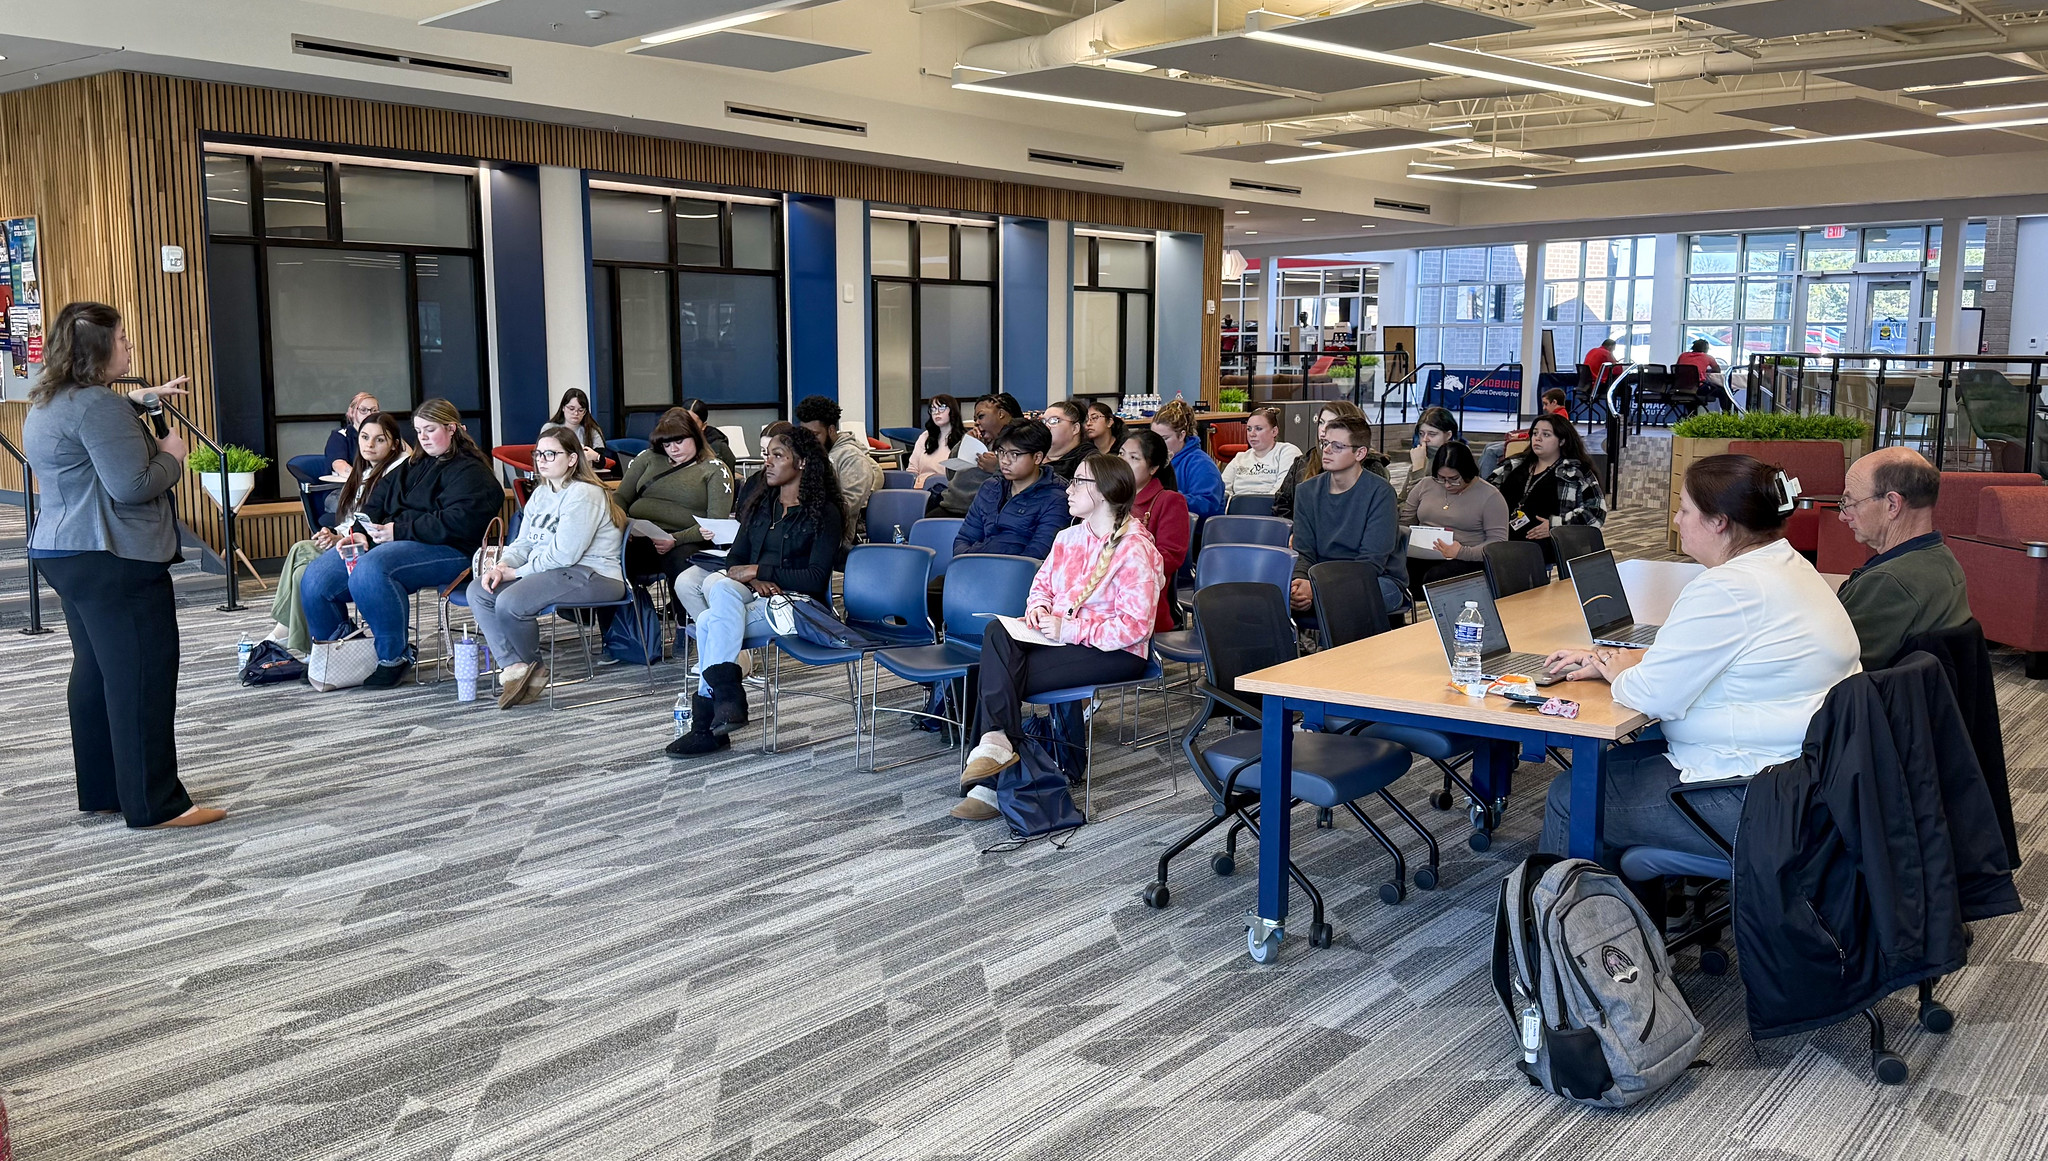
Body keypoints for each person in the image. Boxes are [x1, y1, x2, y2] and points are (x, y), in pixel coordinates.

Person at [1538, 455, 1861, 861]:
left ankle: (1564, 918)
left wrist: (1620, 671)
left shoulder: (1728, 588)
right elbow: (1723, 658)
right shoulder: (1788, 564)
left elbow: (1654, 697)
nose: (1676, 521)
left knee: (1571, 795)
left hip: (1756, 795)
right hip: (1811, 782)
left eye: (1685, 510)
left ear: (1718, 521)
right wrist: (1615, 661)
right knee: (1623, 759)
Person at [21, 301, 223, 829]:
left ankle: (107, 789)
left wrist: (137, 399)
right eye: (123, 340)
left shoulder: (48, 401)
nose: (131, 348)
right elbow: (132, 488)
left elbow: (88, 433)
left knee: (97, 671)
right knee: (141, 676)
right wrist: (173, 455)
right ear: (97, 349)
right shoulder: (99, 407)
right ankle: (155, 805)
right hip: (113, 556)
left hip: (64, 552)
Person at [951, 453, 1164, 821]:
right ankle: (997, 749)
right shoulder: (1069, 538)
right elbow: (1041, 587)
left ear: (1103, 491)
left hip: (1116, 650)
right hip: (1062, 638)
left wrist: (1069, 628)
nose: (1068, 489)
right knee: (996, 631)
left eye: (1078, 481)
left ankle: (991, 777)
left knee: (1000, 676)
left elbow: (1135, 627)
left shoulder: (1135, 549)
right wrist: (1037, 609)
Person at [668, 425, 848, 757]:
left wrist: (759, 570)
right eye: (767, 455)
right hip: (756, 596)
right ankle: (723, 705)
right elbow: (736, 560)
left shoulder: (824, 513)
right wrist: (753, 579)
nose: (768, 462)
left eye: (778, 455)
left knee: (708, 622)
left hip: (798, 606)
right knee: (720, 591)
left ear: (803, 463)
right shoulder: (762, 504)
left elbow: (815, 578)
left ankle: (710, 723)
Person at [301, 398, 503, 688]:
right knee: (317, 577)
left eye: (430, 430)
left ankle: (393, 657)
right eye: (419, 430)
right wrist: (359, 532)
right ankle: (339, 654)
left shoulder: (473, 472)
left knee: (373, 567)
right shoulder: (412, 465)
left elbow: (459, 522)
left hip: (453, 551)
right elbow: (376, 503)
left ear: (452, 428)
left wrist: (399, 531)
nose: (422, 437)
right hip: (394, 542)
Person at [468, 425, 628, 708]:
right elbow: (524, 543)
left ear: (572, 459)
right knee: (479, 590)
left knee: (510, 602)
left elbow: (565, 555)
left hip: (594, 574)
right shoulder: (541, 493)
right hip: (555, 571)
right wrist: (502, 565)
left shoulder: (584, 493)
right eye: (538, 453)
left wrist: (516, 573)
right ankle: (515, 669)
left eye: (550, 454)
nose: (541, 459)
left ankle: (534, 668)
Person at [269, 411, 411, 653]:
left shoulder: (394, 474)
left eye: (380, 440)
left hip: (370, 547)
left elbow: (369, 522)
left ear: (394, 444)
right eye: (365, 437)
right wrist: (334, 534)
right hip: (348, 539)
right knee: (301, 566)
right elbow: (352, 519)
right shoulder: (363, 471)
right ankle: (309, 646)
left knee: (300, 560)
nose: (370, 445)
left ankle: (291, 635)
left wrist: (342, 536)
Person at [1834, 446, 1972, 670]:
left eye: (1850, 503)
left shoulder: (1890, 583)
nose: (1843, 516)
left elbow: (1830, 667)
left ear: (1892, 505)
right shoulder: (1944, 561)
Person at [1289, 415, 1407, 615]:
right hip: (1319, 576)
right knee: (1275, 595)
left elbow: (1370, 563)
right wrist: (1300, 584)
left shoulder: (1381, 493)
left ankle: (1333, 647)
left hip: (1377, 580)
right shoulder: (1306, 491)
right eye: (1325, 443)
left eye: (1337, 446)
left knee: (1341, 600)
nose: (1326, 450)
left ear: (1360, 453)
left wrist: (1317, 588)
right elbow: (1304, 552)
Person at [617, 406, 734, 601]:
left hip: (686, 541)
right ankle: (618, 621)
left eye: (679, 441)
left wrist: (675, 539)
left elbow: (716, 522)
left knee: (683, 562)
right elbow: (620, 497)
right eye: (667, 444)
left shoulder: (714, 469)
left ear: (695, 436)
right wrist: (620, 523)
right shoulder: (648, 458)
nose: (673, 449)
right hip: (638, 536)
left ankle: (684, 624)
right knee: (608, 553)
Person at [1487, 412, 1607, 566]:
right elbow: (1485, 494)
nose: (1538, 438)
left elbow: (1596, 513)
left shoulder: (1574, 472)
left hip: (1542, 546)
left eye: (1546, 434)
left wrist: (1555, 526)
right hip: (1501, 538)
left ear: (1562, 441)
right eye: (1535, 433)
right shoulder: (1514, 465)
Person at [1399, 442, 1509, 605]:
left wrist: (1462, 552)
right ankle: (1394, 627)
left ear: (1467, 473)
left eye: (1454, 479)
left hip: (1468, 558)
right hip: (1423, 552)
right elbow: (1405, 522)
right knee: (1389, 572)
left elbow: (1498, 543)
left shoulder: (1490, 496)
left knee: (1437, 578)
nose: (1447, 484)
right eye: (1441, 478)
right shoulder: (1426, 485)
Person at [955, 419, 1070, 560]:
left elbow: (1038, 554)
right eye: (1002, 452)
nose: (1005, 461)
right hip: (974, 571)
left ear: (1037, 457)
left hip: (1019, 577)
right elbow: (964, 539)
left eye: (1014, 454)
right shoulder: (990, 487)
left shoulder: (1056, 498)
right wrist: (968, 565)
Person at [1121, 428, 1191, 632]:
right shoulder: (1110, 497)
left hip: (1144, 595)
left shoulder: (1169, 500)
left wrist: (1123, 566)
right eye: (1121, 454)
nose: (1123, 462)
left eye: (1133, 458)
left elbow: (1170, 557)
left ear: (1153, 468)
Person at [1273, 401, 1389, 520]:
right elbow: (1282, 505)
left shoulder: (1372, 468)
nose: (1323, 429)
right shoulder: (1302, 462)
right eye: (1321, 423)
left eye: (1332, 424)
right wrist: (1291, 531)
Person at [795, 393, 884, 520]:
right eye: (804, 434)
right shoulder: (807, 454)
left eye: (815, 435)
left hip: (835, 531)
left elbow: (848, 507)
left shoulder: (852, 458)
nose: (808, 441)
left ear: (831, 430)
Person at [936, 394, 1020, 517]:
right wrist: (964, 444)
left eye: (981, 417)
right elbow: (950, 474)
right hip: (951, 506)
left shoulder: (1020, 442)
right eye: (975, 419)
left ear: (1001, 414)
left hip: (986, 512)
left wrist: (997, 467)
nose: (976, 423)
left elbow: (1024, 480)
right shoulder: (977, 440)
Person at [1150, 399, 1223, 519]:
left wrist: (1165, 498)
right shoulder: (1153, 460)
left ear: (1182, 435)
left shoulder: (1202, 464)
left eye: (1164, 438)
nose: (1157, 444)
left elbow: (1207, 505)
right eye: (1154, 438)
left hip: (1197, 532)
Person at [1479, 389, 1573, 480]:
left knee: (1491, 450)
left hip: (1528, 444)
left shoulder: (1557, 418)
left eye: (1546, 404)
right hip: (1528, 441)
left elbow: (1537, 434)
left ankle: (1486, 481)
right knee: (1489, 446)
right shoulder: (1557, 416)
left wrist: (1519, 436)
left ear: (1554, 402)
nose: (1544, 408)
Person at [1220, 407, 1301, 501]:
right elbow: (1222, 489)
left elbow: (1282, 491)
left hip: (1271, 511)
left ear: (1274, 431)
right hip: (1238, 512)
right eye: (1249, 429)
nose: (1252, 434)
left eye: (1258, 429)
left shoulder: (1287, 452)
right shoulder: (1240, 457)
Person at [907, 393, 968, 487]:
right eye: (933, 409)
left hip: (947, 489)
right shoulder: (925, 436)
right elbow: (912, 469)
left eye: (942, 408)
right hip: (921, 488)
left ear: (952, 410)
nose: (937, 412)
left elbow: (963, 475)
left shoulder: (963, 439)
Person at [1402, 406, 1462, 501]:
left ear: (1448, 435)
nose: (1425, 439)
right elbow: (1403, 499)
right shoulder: (1422, 458)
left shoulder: (1458, 461)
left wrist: (1418, 469)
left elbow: (1420, 502)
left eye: (1432, 434)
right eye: (1421, 434)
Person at [548, 388, 610, 470]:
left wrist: (595, 456)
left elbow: (601, 463)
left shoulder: (591, 431)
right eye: (571, 409)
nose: (576, 413)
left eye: (580, 410)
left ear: (585, 412)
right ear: (563, 408)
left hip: (584, 475)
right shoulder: (550, 428)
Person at [324, 391, 380, 477]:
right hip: (347, 486)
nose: (369, 414)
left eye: (374, 410)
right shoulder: (340, 436)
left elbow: (406, 457)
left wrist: (391, 433)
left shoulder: (383, 436)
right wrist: (363, 479)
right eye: (363, 410)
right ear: (352, 412)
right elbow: (339, 465)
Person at [1675, 339, 1734, 410]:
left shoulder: (1683, 355)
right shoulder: (1707, 357)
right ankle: (1727, 415)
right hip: (1698, 389)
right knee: (1723, 392)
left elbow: (1678, 369)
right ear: (1706, 349)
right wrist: (1705, 370)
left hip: (1681, 388)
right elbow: (1717, 370)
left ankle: (1691, 416)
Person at [684, 398, 738, 473]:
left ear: (703, 426)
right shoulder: (671, 444)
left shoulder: (718, 447)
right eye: (683, 421)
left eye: (693, 423)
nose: (687, 427)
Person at [1042, 400, 1091, 481]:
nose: (1046, 427)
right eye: (1043, 421)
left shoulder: (1088, 462)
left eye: (1054, 421)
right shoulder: (1033, 456)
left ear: (1075, 428)